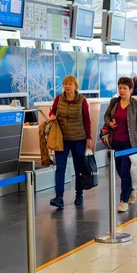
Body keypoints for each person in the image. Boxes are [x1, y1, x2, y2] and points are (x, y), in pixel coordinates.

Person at [104, 77, 137, 212]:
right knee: (120, 171)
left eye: (124, 88)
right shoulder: (114, 102)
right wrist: (109, 123)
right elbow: (106, 116)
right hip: (115, 143)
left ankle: (123, 200)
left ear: (130, 89)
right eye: (120, 88)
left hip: (131, 144)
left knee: (125, 171)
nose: (121, 91)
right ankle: (132, 188)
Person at [48, 76, 92, 209]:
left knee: (79, 168)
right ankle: (59, 197)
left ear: (75, 86)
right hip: (61, 138)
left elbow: (86, 120)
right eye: (65, 84)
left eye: (70, 84)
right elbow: (52, 110)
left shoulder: (82, 100)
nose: (68, 86)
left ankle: (79, 194)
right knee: (60, 167)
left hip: (78, 138)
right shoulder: (59, 98)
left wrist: (88, 138)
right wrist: (52, 115)